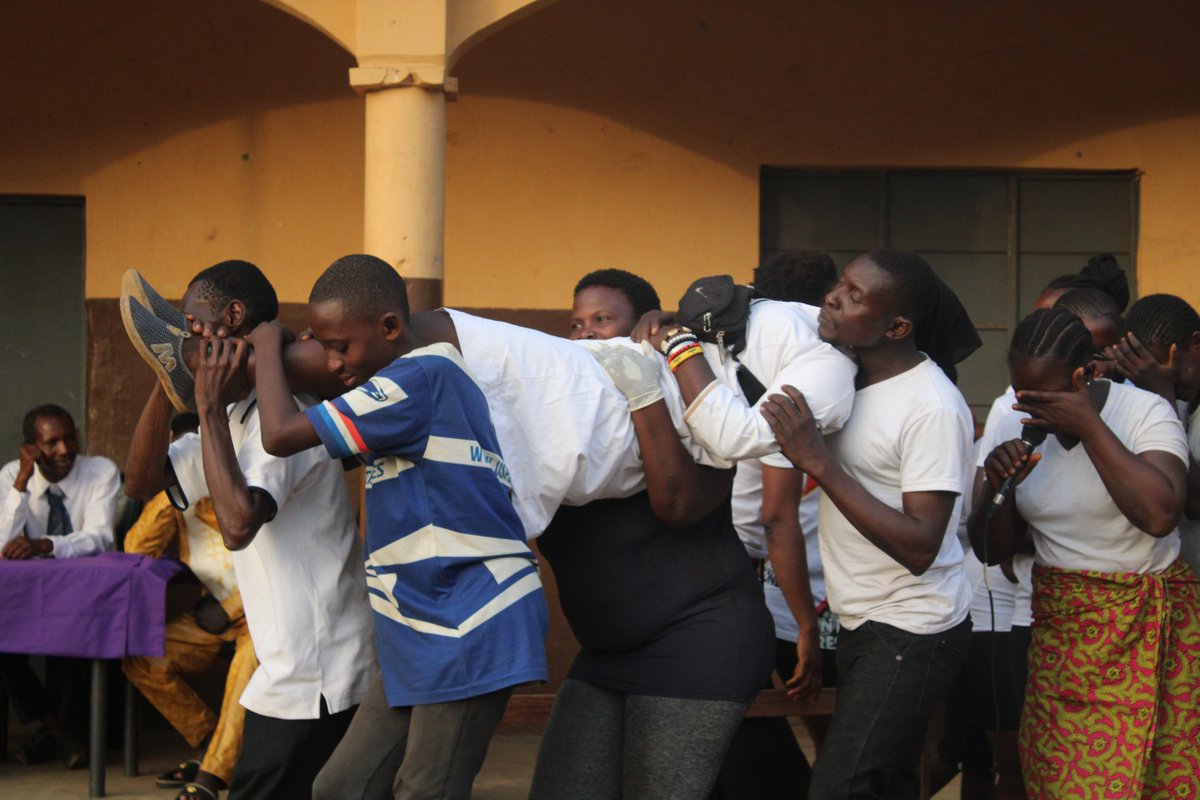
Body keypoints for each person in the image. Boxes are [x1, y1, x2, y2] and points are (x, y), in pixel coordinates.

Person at [241, 254, 548, 800]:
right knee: (340, 787)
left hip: (468, 618)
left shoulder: (420, 378)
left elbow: (281, 433)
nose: (332, 363)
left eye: (341, 347)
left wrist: (267, 347)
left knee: (424, 789)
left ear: (389, 327)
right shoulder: (407, 391)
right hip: (420, 626)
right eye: (322, 345)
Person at [122, 260, 375, 800]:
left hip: (319, 675)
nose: (186, 338)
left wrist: (206, 406)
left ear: (232, 319)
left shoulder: (279, 417)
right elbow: (140, 481)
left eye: (191, 326)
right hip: (289, 673)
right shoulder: (234, 421)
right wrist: (167, 373)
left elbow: (238, 525)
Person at [525, 268, 774, 800]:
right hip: (606, 653)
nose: (586, 335)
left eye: (602, 320)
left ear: (642, 330)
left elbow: (680, 501)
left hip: (697, 641)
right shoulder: (565, 418)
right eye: (576, 324)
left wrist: (643, 391)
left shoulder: (692, 402)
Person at [755, 249, 975, 799]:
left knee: (840, 786)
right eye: (841, 285)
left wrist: (818, 462)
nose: (833, 298)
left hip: (913, 628)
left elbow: (922, 544)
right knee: (890, 786)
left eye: (855, 295)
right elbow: (750, 318)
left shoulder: (933, 406)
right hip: (862, 621)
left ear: (897, 326)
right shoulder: (844, 374)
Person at [970, 306, 1197, 797]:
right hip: (1066, 637)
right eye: (1020, 392)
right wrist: (996, 488)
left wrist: (1090, 427)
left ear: (1086, 373)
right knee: (1063, 777)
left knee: (1161, 776)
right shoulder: (1012, 421)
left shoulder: (1143, 412)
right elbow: (990, 548)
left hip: (1150, 629)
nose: (1028, 405)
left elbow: (1160, 515)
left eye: (1043, 395)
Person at [122, 412, 255, 800]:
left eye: (192, 453)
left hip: (261, 615)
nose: (185, 461)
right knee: (143, 659)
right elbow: (137, 548)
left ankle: (213, 778)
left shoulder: (240, 487)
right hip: (211, 613)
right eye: (175, 455)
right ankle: (211, 746)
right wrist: (170, 489)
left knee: (245, 669)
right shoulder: (176, 498)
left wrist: (228, 609)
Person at [0, 403, 120, 768]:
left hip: (86, 598)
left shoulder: (100, 472)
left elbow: (99, 537)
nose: (65, 450)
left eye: (71, 438)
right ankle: (59, 730)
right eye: (52, 443)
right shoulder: (10, 476)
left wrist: (44, 544)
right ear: (31, 447)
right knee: (3, 640)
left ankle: (52, 734)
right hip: (26, 601)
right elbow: (3, 544)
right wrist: (22, 481)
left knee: (72, 631)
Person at [1106, 292, 1200, 574]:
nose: (1166, 381)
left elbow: (1195, 503)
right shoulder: (1181, 403)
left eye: (1170, 371)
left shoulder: (1169, 399)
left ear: (1196, 342)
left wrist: (1162, 393)